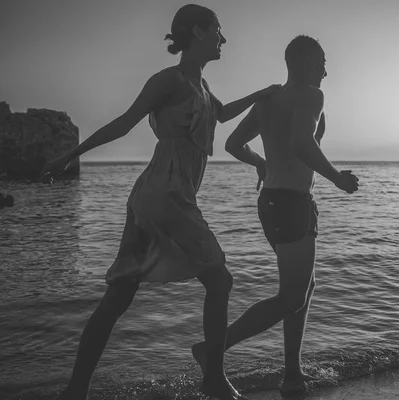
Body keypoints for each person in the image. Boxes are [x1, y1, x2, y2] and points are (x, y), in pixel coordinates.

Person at [41, 4, 279, 400]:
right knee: (220, 279)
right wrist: (70, 154)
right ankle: (214, 379)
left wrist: (262, 99)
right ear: (199, 32)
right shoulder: (168, 80)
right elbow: (124, 121)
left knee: (119, 296)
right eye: (218, 30)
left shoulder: (201, 87)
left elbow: (220, 115)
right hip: (164, 194)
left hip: (161, 197)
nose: (223, 38)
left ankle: (75, 391)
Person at [192, 35, 359, 395]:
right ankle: (212, 350)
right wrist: (338, 180)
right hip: (291, 203)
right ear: (310, 63)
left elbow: (233, 144)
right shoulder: (312, 95)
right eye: (323, 63)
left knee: (302, 289)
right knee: (292, 296)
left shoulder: (269, 100)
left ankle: (293, 376)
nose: (327, 72)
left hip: (272, 202)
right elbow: (301, 143)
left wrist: (261, 163)